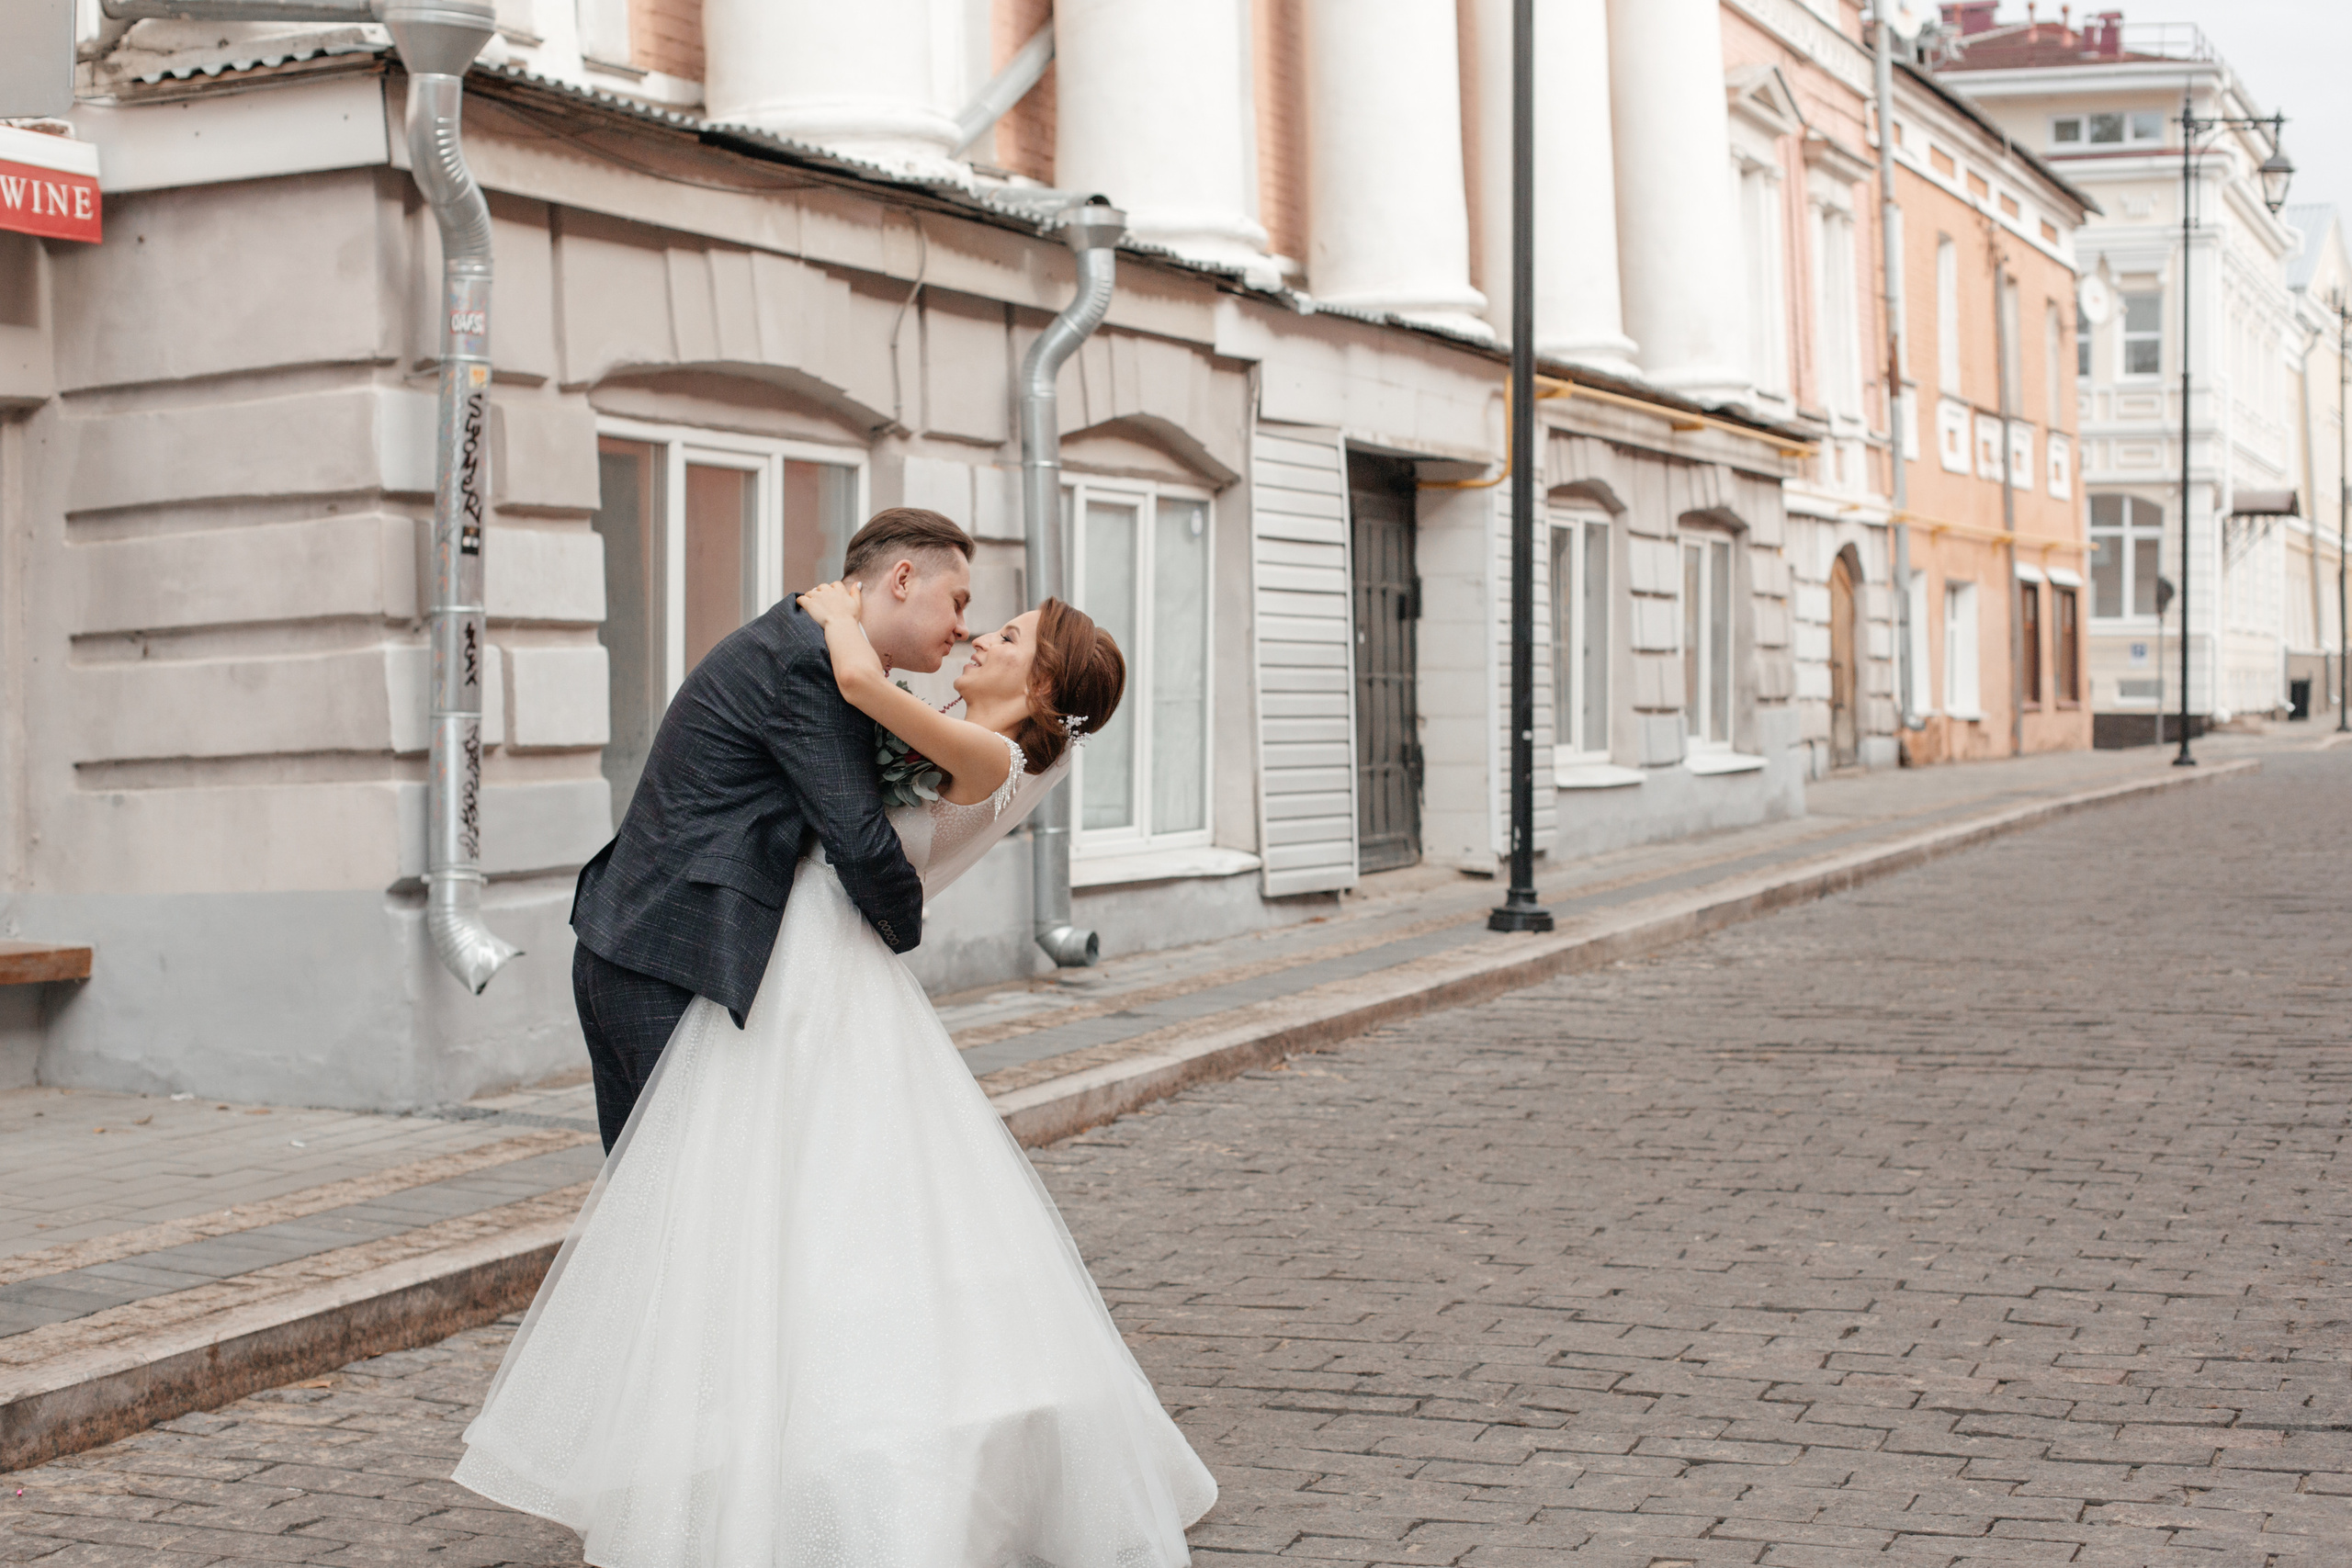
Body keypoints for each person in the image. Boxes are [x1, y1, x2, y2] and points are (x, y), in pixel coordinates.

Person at [453, 581, 1218, 1566]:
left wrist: (832, 608)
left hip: (822, 965)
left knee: (812, 1199)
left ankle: (823, 1452)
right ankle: (782, 1425)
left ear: (1040, 687)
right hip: (815, 957)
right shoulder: (984, 742)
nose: (980, 638)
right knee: (828, 1202)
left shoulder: (994, 753)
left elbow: (856, 681)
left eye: (1009, 636)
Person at [567, 508, 973, 1152]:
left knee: (660, 1214)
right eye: (956, 600)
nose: (963, 625)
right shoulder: (812, 663)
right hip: (663, 961)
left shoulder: (806, 640)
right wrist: (900, 936)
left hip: (636, 944)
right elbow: (859, 840)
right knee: (676, 1209)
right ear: (901, 578)